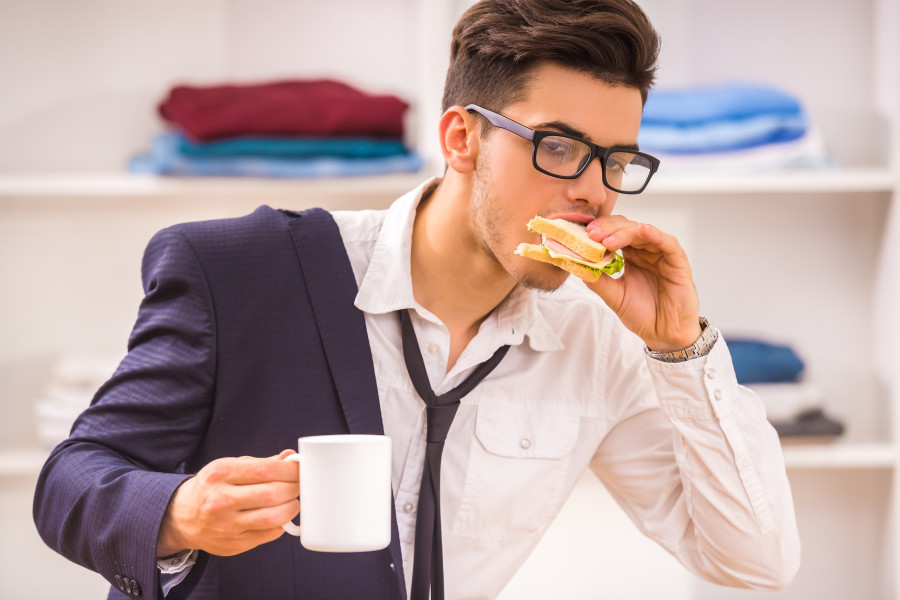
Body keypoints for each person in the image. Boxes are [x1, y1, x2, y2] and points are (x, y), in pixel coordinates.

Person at [33, 0, 801, 598]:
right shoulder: (235, 269)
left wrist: (681, 346)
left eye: (617, 160)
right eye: (559, 148)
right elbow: (73, 479)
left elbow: (756, 559)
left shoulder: (594, 340)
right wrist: (179, 515)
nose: (594, 193)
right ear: (462, 139)